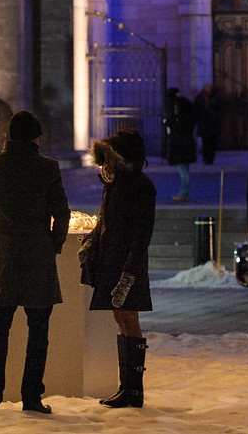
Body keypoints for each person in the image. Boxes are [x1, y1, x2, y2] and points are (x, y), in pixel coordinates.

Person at [0, 111, 71, 414]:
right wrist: (54, 244)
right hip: (39, 258)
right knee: (39, 331)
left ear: (9, 136)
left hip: (6, 258)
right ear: (35, 137)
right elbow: (61, 213)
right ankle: (32, 397)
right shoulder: (48, 168)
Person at [79, 128, 157, 409]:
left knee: (128, 316)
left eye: (111, 159)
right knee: (120, 316)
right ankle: (126, 387)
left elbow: (142, 234)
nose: (106, 165)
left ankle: (133, 390)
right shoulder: (112, 184)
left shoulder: (141, 186)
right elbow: (104, 219)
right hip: (111, 259)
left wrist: (128, 274)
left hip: (128, 263)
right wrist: (90, 244)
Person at [165, 88, 197, 202]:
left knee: (183, 170)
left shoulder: (182, 119)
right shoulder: (188, 117)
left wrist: (170, 123)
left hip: (182, 146)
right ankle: (184, 192)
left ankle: (184, 193)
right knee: (185, 169)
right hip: (186, 145)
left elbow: (179, 129)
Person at [193, 84, 223, 165]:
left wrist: (215, 115)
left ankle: (210, 158)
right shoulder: (199, 98)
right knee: (205, 141)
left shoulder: (215, 97)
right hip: (204, 123)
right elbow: (196, 109)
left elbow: (221, 108)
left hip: (212, 123)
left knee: (212, 142)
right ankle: (206, 158)